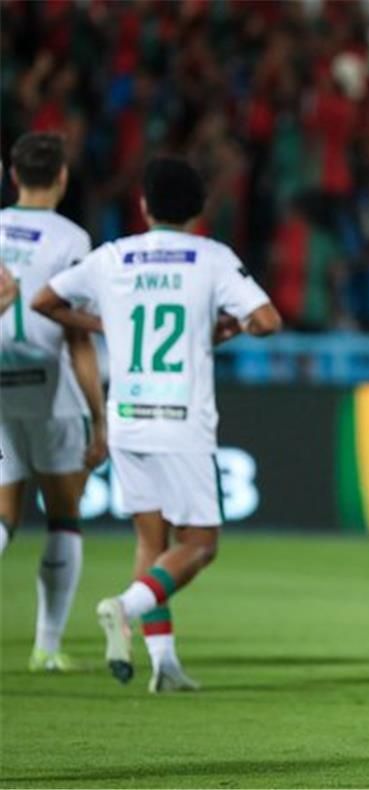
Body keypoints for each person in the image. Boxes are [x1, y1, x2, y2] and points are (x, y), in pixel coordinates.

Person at [32, 157, 282, 692]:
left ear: (144, 205)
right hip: (180, 420)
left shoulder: (113, 256)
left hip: (127, 419)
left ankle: (163, 664)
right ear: (199, 208)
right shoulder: (212, 257)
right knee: (200, 545)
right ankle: (125, 608)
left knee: (152, 540)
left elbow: (44, 300)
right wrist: (228, 329)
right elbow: (266, 320)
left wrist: (106, 324)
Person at [0, 131, 107, 672]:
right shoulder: (71, 239)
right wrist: (100, 417)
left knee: (3, 514)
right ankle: (46, 646)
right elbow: (78, 336)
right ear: (62, 178)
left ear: (13, 175)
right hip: (49, 387)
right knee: (63, 515)